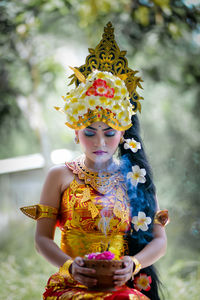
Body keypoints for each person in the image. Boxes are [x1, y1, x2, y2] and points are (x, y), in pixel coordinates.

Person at [21, 22, 169, 300]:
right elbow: (42, 239)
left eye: (109, 133)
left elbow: (159, 240)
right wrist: (70, 266)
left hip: (123, 287)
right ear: (76, 133)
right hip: (70, 287)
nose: (100, 143)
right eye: (90, 133)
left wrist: (133, 264)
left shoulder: (137, 178)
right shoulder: (59, 176)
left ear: (123, 133)